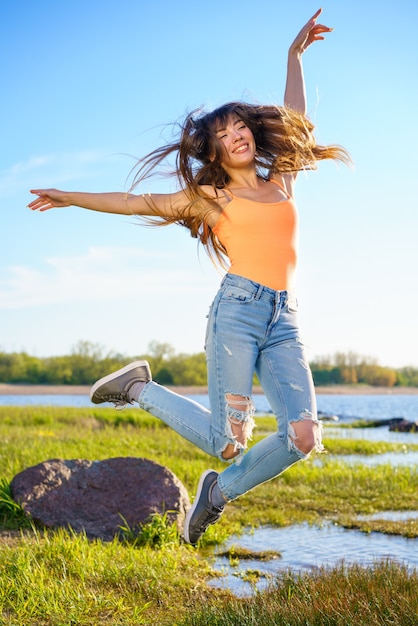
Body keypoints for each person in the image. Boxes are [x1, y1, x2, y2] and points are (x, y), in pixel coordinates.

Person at [28, 9, 350, 545]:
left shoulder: (282, 181)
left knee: (302, 435)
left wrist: (293, 57)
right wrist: (69, 197)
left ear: (251, 131)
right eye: (223, 133)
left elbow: (295, 115)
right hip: (238, 313)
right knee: (229, 442)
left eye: (240, 125)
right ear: (216, 149)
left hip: (284, 317)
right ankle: (139, 388)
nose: (236, 135)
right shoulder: (211, 198)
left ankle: (215, 494)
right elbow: (136, 201)